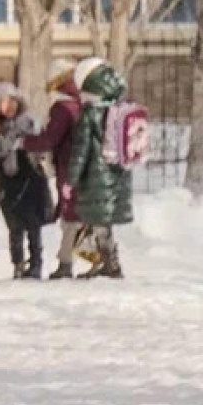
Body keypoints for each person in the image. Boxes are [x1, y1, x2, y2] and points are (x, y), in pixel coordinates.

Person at [66, 57, 134, 279]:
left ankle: (110, 264)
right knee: (102, 223)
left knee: (98, 224)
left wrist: (70, 180)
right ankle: (106, 263)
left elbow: (80, 151)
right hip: (117, 176)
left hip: (96, 178)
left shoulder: (90, 114)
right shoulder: (119, 108)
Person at [23, 58, 85, 279]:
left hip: (68, 166)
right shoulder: (81, 103)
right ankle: (102, 256)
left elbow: (50, 139)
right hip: (82, 166)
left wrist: (25, 142)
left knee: (71, 215)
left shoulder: (62, 107)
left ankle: (66, 263)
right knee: (81, 213)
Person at [0, 84, 53, 280]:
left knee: (33, 224)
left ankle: (36, 263)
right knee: (14, 225)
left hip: (30, 179)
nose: (9, 107)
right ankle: (18, 263)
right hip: (7, 181)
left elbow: (42, 146)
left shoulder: (29, 124)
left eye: (12, 102)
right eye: (3, 103)